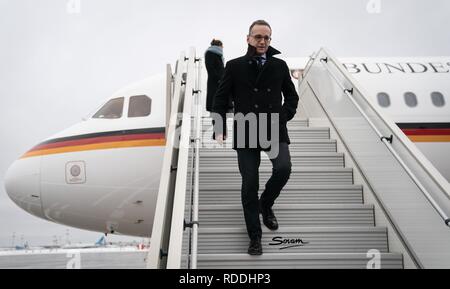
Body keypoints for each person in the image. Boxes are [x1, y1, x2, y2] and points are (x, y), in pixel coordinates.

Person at [212, 20, 299, 255]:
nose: (262, 41)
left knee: (283, 168)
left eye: (266, 38)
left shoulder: (280, 66)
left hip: (273, 128)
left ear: (270, 40)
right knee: (249, 184)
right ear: (248, 38)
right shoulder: (234, 66)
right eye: (258, 37)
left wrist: (283, 116)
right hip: (247, 130)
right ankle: (255, 236)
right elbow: (220, 100)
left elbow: (292, 97)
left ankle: (266, 204)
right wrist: (218, 127)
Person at [205, 39, 225, 112]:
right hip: (215, 81)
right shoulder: (210, 53)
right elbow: (210, 68)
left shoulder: (219, 55)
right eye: (222, 45)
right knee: (214, 101)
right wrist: (218, 79)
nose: (223, 47)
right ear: (219, 45)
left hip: (220, 80)